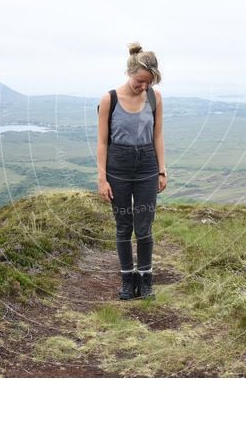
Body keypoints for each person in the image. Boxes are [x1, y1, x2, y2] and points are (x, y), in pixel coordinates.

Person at [97, 42, 167, 300]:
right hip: (118, 167)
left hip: (148, 165)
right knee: (123, 226)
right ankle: (128, 280)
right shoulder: (109, 100)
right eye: (140, 81)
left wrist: (162, 170)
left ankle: (146, 279)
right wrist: (102, 178)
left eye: (149, 82)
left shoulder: (154, 97)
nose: (144, 87)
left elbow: (157, 135)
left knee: (145, 226)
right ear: (130, 73)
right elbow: (102, 142)